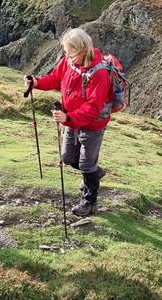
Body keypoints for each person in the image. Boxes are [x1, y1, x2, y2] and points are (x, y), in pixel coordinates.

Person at [25, 28, 111, 216]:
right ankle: (95, 175)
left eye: (70, 53)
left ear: (81, 50)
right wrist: (37, 82)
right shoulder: (70, 62)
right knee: (68, 158)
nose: (67, 56)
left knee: (86, 164)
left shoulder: (100, 74)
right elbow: (56, 78)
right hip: (72, 120)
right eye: (66, 52)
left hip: (92, 126)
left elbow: (93, 108)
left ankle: (89, 203)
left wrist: (68, 118)